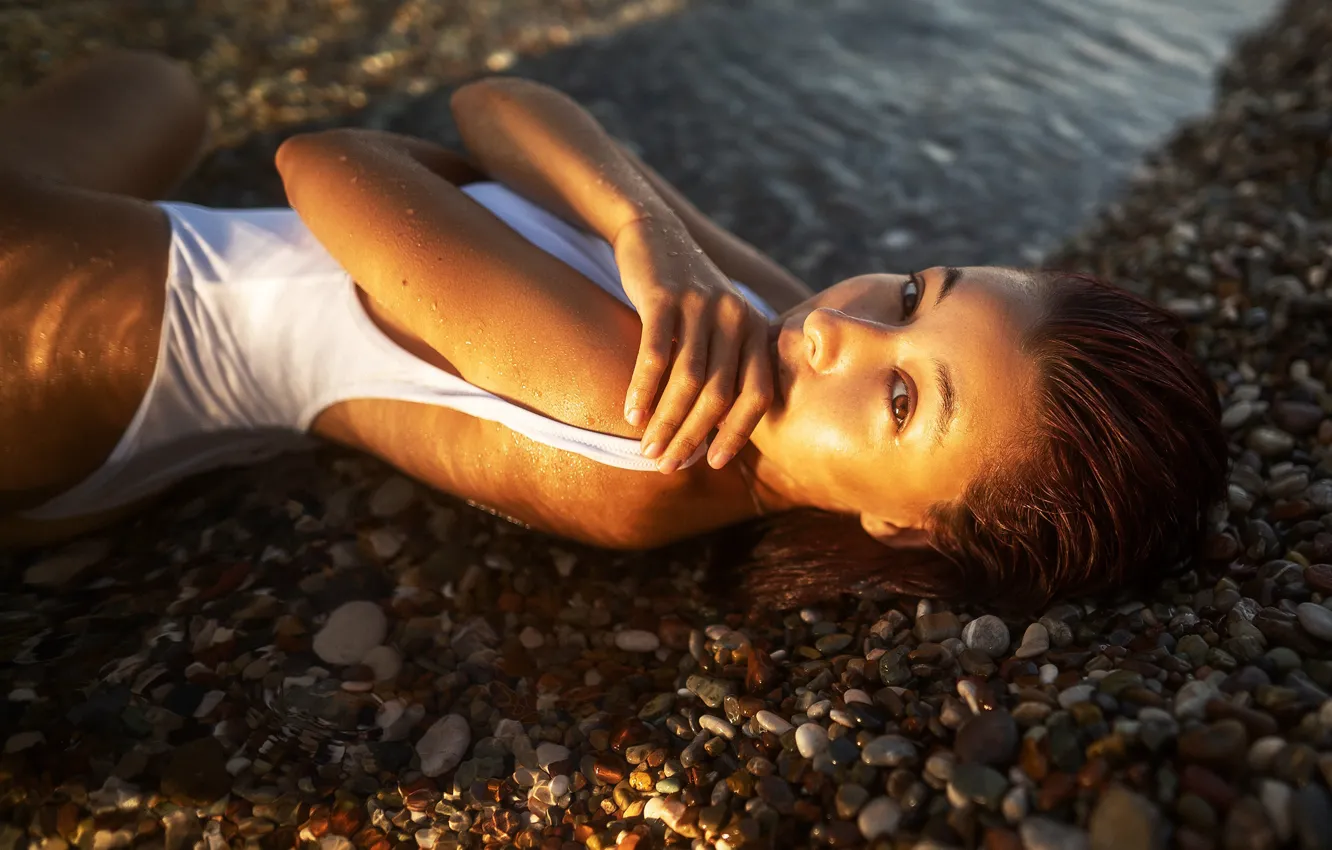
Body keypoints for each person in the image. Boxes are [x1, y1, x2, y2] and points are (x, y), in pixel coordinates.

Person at [0, 51, 1226, 610]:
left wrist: (617, 221)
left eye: (907, 399)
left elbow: (327, 159)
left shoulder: (635, 406)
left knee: (156, 92)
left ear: (905, 522)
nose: (857, 327)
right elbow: (495, 99)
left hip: (47, 340)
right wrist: (656, 235)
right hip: (119, 412)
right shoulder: (779, 340)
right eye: (917, 291)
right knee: (149, 82)